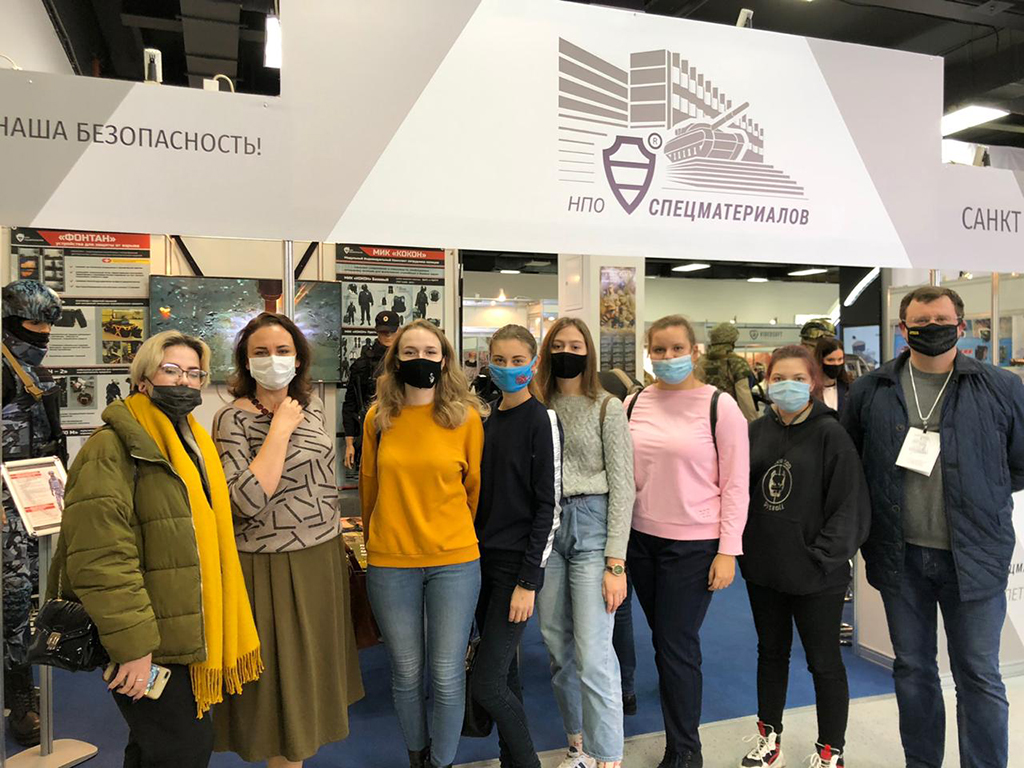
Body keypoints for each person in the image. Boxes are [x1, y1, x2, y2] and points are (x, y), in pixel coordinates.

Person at [48, 330, 262, 768]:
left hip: (182, 628)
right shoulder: (112, 447)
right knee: (183, 748)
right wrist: (134, 648)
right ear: (143, 379)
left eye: (194, 373)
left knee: (155, 748)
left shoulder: (193, 443)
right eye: (171, 370)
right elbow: (101, 559)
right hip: (150, 637)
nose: (184, 382)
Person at [842, 285, 1024, 768]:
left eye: (941, 321)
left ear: (961, 326)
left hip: (974, 557)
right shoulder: (871, 390)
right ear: (903, 330)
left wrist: (981, 496)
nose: (931, 329)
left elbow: (1019, 464)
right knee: (913, 671)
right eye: (920, 323)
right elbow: (853, 464)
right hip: (899, 558)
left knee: (979, 675)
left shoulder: (1001, 388)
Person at [213, 313, 363, 767]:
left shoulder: (311, 406)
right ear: (245, 361)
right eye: (260, 352)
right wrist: (278, 430)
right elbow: (245, 500)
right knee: (280, 693)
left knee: (311, 685)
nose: (273, 360)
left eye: (282, 351)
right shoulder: (230, 419)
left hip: (320, 557)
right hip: (268, 564)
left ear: (298, 359)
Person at [360, 319, 487, 768]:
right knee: (406, 673)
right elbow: (369, 488)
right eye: (410, 352)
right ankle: (418, 756)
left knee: (448, 675)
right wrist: (376, 542)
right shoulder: (378, 419)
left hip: (454, 561)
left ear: (445, 359)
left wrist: (448, 533)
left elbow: (473, 490)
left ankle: (442, 762)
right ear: (395, 361)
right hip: (391, 561)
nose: (421, 360)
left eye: (430, 352)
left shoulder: (467, 419)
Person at [624, 315, 749, 768]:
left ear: (694, 352)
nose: (668, 357)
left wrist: (728, 550)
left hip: (694, 545)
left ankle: (684, 750)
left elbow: (736, 483)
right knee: (664, 639)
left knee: (677, 644)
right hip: (641, 541)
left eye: (677, 348)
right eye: (659, 349)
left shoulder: (719, 405)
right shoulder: (634, 403)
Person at [738, 345, 870, 768]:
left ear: (812, 382)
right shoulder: (755, 432)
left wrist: (821, 557)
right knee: (770, 655)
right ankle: (769, 737)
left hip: (817, 576)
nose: (787, 386)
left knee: (824, 663)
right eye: (779, 378)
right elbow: (739, 494)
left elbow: (850, 505)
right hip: (765, 570)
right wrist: (746, 552)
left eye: (798, 378)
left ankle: (831, 749)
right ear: (767, 382)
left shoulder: (832, 435)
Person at [534, 317, 634, 768]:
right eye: (559, 345)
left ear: (589, 353)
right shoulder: (539, 404)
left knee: (594, 654)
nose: (567, 353)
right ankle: (577, 745)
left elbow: (624, 486)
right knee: (558, 648)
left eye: (575, 346)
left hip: (593, 528)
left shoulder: (607, 407)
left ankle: (607, 754)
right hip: (547, 529)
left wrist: (616, 562)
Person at [472, 324, 562, 768]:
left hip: (515, 568)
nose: (508, 368)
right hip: (478, 564)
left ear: (534, 363)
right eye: (499, 360)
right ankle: (512, 760)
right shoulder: (485, 419)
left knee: (486, 684)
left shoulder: (542, 420)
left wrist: (529, 580)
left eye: (517, 361)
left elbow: (549, 505)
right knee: (505, 674)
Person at [1, 279, 66, 746]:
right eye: (33, 325)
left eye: (48, 326)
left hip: (38, 500)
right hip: (6, 508)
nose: (42, 334)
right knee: (14, 596)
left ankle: (25, 679)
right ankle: (18, 695)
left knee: (35, 594)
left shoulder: (36, 374)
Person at [596, 368, 642, 717]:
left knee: (616, 610)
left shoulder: (609, 403)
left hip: (611, 522)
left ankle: (624, 686)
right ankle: (625, 688)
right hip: (619, 521)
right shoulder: (621, 394)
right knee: (618, 610)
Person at [342, 310, 399, 470]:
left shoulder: (407, 360)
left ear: (398, 330)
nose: (388, 335)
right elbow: (351, 404)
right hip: (372, 429)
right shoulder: (363, 364)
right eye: (383, 332)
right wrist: (349, 444)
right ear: (377, 331)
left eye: (391, 331)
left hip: (402, 429)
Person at [694, 321, 758, 421]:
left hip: (702, 418)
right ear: (732, 340)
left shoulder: (701, 362)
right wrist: (754, 424)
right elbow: (745, 399)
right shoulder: (736, 362)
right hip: (728, 418)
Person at [815, 337, 851, 413]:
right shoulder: (810, 389)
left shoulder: (848, 387)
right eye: (830, 360)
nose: (836, 364)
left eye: (840, 359)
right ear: (820, 360)